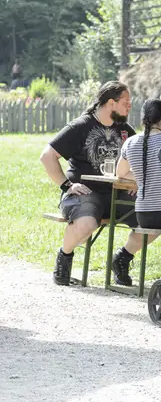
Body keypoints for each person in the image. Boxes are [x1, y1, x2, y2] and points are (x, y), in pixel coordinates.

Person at [41, 81, 144, 286]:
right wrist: (67, 186)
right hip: (84, 193)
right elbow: (47, 156)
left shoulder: (125, 131)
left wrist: (136, 182)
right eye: (126, 102)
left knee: (152, 219)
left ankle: (122, 259)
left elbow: (141, 162)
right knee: (87, 224)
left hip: (118, 193)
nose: (129, 106)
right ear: (111, 103)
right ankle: (64, 257)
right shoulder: (80, 127)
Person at [115, 99, 161, 283]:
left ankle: (123, 257)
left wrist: (141, 178)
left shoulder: (130, 143)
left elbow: (120, 173)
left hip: (144, 213)